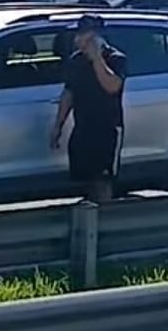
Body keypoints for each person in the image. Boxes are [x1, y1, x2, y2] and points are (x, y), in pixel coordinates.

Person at [50, 14, 128, 204]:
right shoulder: (76, 61)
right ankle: (89, 218)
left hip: (107, 130)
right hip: (83, 128)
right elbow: (69, 93)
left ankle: (105, 218)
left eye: (83, 35)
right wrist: (58, 126)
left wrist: (96, 59)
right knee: (86, 179)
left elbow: (112, 86)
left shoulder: (115, 59)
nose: (78, 39)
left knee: (103, 181)